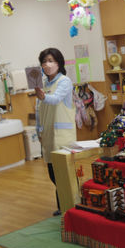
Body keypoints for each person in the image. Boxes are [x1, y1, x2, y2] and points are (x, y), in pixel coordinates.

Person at [36, 48, 77, 216]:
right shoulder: (44, 84)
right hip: (47, 135)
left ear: (59, 63)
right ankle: (63, 205)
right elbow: (39, 109)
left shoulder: (64, 81)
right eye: (44, 61)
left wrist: (42, 96)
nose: (47, 64)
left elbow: (55, 99)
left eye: (51, 61)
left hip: (63, 137)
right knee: (54, 174)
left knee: (64, 174)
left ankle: (71, 205)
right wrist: (38, 129)